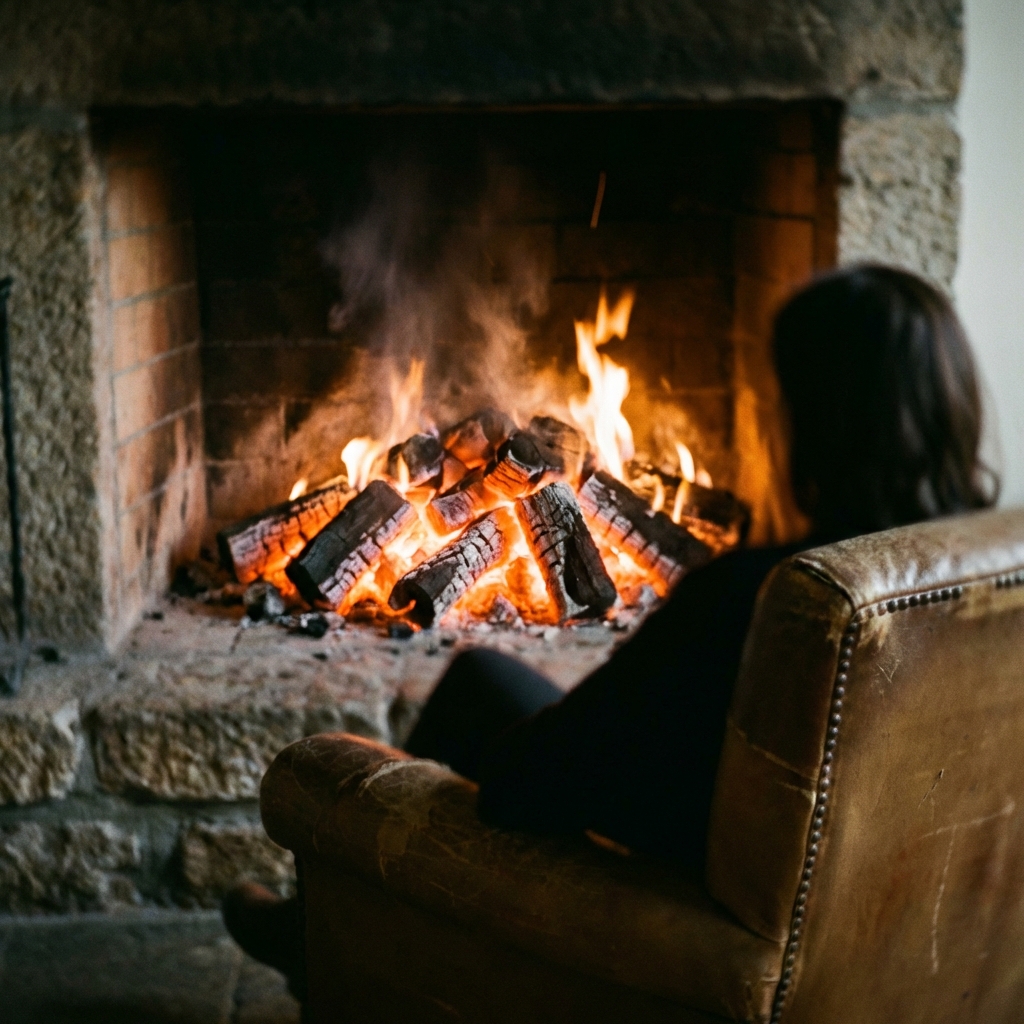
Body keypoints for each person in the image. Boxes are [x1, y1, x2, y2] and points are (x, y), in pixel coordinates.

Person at [223, 264, 997, 991]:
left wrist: (520, 761)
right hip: (881, 918)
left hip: (694, 885)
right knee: (483, 678)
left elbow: (541, 784)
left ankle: (324, 948)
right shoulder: (982, 583)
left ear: (817, 427)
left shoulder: (765, 599)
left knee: (460, 731)